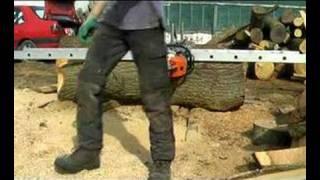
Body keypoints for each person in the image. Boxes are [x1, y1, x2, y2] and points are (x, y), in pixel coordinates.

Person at [54, 1, 175, 180]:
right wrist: (93, 17)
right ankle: (88, 151)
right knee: (87, 83)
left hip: (148, 24)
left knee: (155, 95)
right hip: (113, 23)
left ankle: (162, 163)